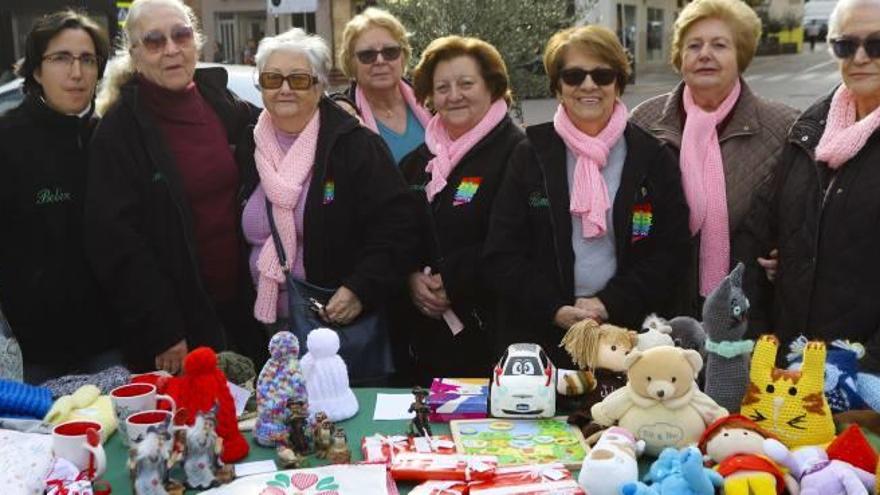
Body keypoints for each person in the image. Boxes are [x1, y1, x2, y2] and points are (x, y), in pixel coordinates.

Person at [483, 25, 691, 368]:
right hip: (540, 336)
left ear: (618, 83)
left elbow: (672, 250)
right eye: (574, 76)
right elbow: (502, 252)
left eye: (603, 75)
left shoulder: (652, 157)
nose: (589, 85)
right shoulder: (529, 154)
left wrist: (607, 302)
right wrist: (554, 308)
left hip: (628, 337)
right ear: (558, 86)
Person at [86, 0, 263, 374]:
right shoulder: (119, 132)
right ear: (134, 55)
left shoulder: (221, 102)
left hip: (241, 311)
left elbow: (283, 122)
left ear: (195, 41)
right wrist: (162, 329)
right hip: (175, 329)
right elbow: (117, 246)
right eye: (153, 41)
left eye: (180, 35)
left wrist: (340, 110)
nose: (171, 49)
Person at [240, 28, 417, 382]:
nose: (285, 88)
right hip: (268, 327)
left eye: (300, 79)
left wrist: (360, 288)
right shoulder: (248, 144)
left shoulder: (354, 145)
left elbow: (400, 227)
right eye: (273, 78)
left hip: (337, 327)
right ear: (261, 86)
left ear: (320, 86)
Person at [630, 0, 798, 317]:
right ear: (680, 56)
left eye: (719, 45)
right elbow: (628, 207)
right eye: (694, 45)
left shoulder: (784, 126)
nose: (704, 54)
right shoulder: (643, 120)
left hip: (749, 309)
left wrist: (788, 252)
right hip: (659, 305)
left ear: (741, 55)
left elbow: (803, 214)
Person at [742, 0, 880, 370]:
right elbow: (756, 235)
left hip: (863, 381)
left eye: (877, 44)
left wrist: (860, 372)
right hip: (789, 367)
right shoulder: (810, 128)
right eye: (845, 45)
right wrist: (761, 342)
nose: (861, 57)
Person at [0, 10, 119, 384]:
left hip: (110, 342)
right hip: (34, 351)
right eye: (61, 58)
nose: (77, 72)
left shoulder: (109, 137)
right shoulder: (8, 139)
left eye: (87, 59)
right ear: (36, 70)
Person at [397, 36, 525, 383]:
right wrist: (410, 278)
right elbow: (398, 230)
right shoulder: (418, 161)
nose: (454, 95)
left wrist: (454, 280)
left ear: (493, 87)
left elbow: (520, 239)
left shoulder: (519, 154)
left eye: (466, 84)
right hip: (424, 335)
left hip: (492, 334)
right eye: (442, 87)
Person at [338, 7, 431, 163]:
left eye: (390, 52)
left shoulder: (432, 104)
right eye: (367, 55)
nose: (380, 61)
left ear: (403, 56)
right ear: (351, 62)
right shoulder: (343, 119)